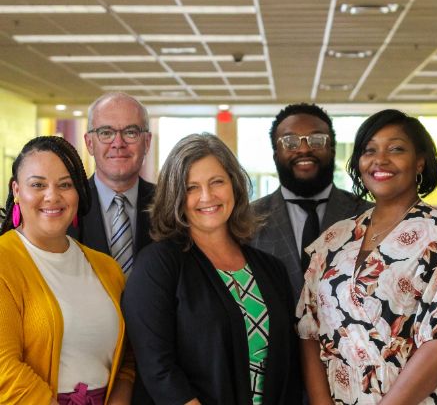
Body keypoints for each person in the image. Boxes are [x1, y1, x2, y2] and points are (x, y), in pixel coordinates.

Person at [297, 109, 437, 404]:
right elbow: (308, 331)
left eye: (396, 149)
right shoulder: (334, 239)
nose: (380, 159)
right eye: (370, 150)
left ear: (420, 160)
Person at [122, 133, 301, 405]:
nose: (207, 196)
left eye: (216, 182)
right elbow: (158, 369)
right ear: (176, 196)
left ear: (234, 185)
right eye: (191, 187)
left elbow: (288, 365)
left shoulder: (271, 269)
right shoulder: (158, 265)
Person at [0, 136, 133, 405]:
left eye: (65, 185)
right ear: (16, 189)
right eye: (37, 184)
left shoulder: (107, 268)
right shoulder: (5, 261)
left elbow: (128, 359)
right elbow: (4, 368)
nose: (52, 196)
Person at [250, 103, 372, 302]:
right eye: (290, 142)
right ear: (275, 154)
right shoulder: (247, 220)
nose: (304, 149)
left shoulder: (369, 215)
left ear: (332, 150)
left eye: (317, 140)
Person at [68, 92, 154, 276]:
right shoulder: (66, 207)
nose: (118, 143)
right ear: (89, 143)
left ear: (147, 142)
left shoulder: (169, 205)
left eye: (131, 132)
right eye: (106, 133)